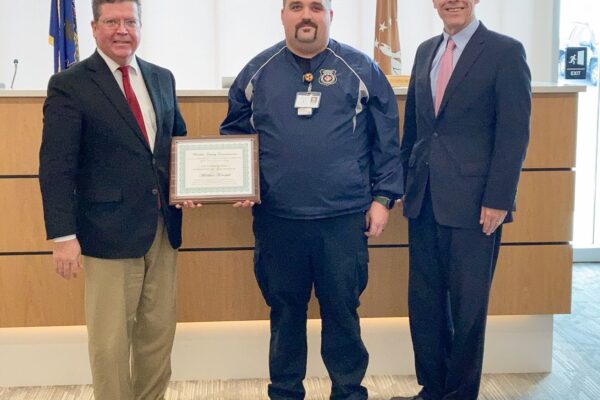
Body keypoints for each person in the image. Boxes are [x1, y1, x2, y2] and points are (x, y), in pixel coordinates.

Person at [219, 0, 403, 398]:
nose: (307, 15)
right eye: (296, 6)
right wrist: (238, 181)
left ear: (329, 17)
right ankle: (284, 392)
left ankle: (349, 391)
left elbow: (386, 140)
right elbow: (233, 133)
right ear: (283, 16)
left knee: (342, 313)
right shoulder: (257, 72)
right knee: (285, 315)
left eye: (316, 7)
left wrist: (384, 198)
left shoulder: (362, 69)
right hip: (278, 219)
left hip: (343, 219)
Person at [38, 0, 186, 399]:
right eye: (112, 22)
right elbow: (56, 167)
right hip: (105, 233)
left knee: (158, 334)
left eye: (130, 21)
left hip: (161, 229)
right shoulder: (71, 84)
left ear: (140, 26)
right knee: (110, 342)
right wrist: (62, 236)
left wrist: (189, 186)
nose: (122, 30)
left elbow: (176, 146)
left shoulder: (161, 78)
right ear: (93, 27)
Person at [391, 1, 531, 399]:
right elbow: (417, 129)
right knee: (426, 305)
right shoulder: (425, 51)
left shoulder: (505, 51)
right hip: (424, 200)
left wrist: (499, 198)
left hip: (476, 206)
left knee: (467, 311)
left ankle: (460, 394)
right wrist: (404, 182)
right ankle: (432, 389)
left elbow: (514, 132)